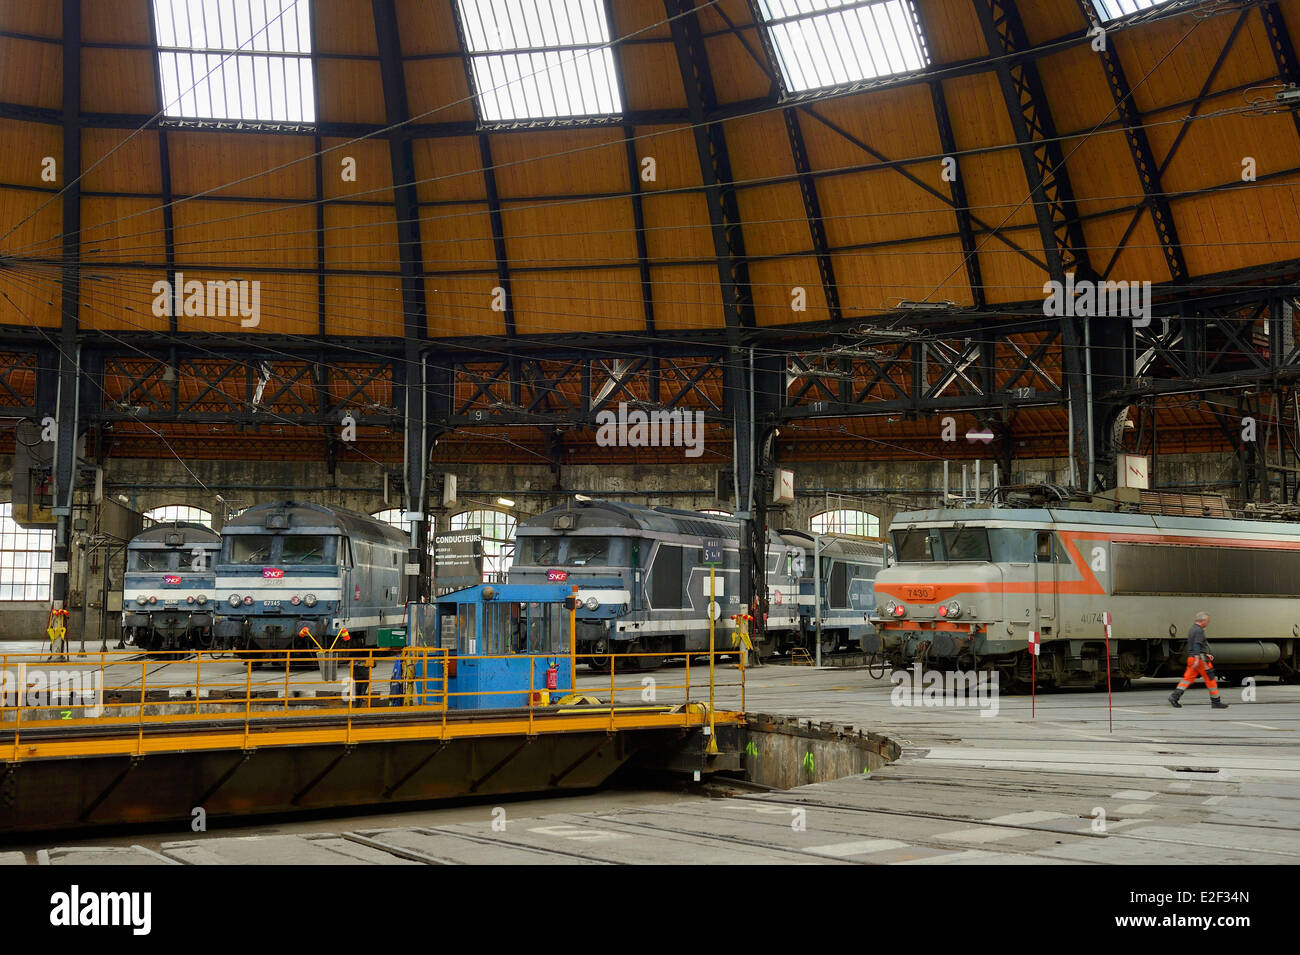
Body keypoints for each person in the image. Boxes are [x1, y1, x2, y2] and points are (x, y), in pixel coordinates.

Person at [1169, 611, 1228, 709]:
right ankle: (1216, 702)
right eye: (1207, 621)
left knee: (1187, 679)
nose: (1208, 623)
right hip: (1200, 660)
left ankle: (1174, 697)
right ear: (1203, 621)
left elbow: (1194, 645)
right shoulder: (1199, 630)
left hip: (1191, 658)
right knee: (1210, 680)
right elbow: (1197, 644)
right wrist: (1198, 658)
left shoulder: (1192, 629)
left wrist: (1204, 654)